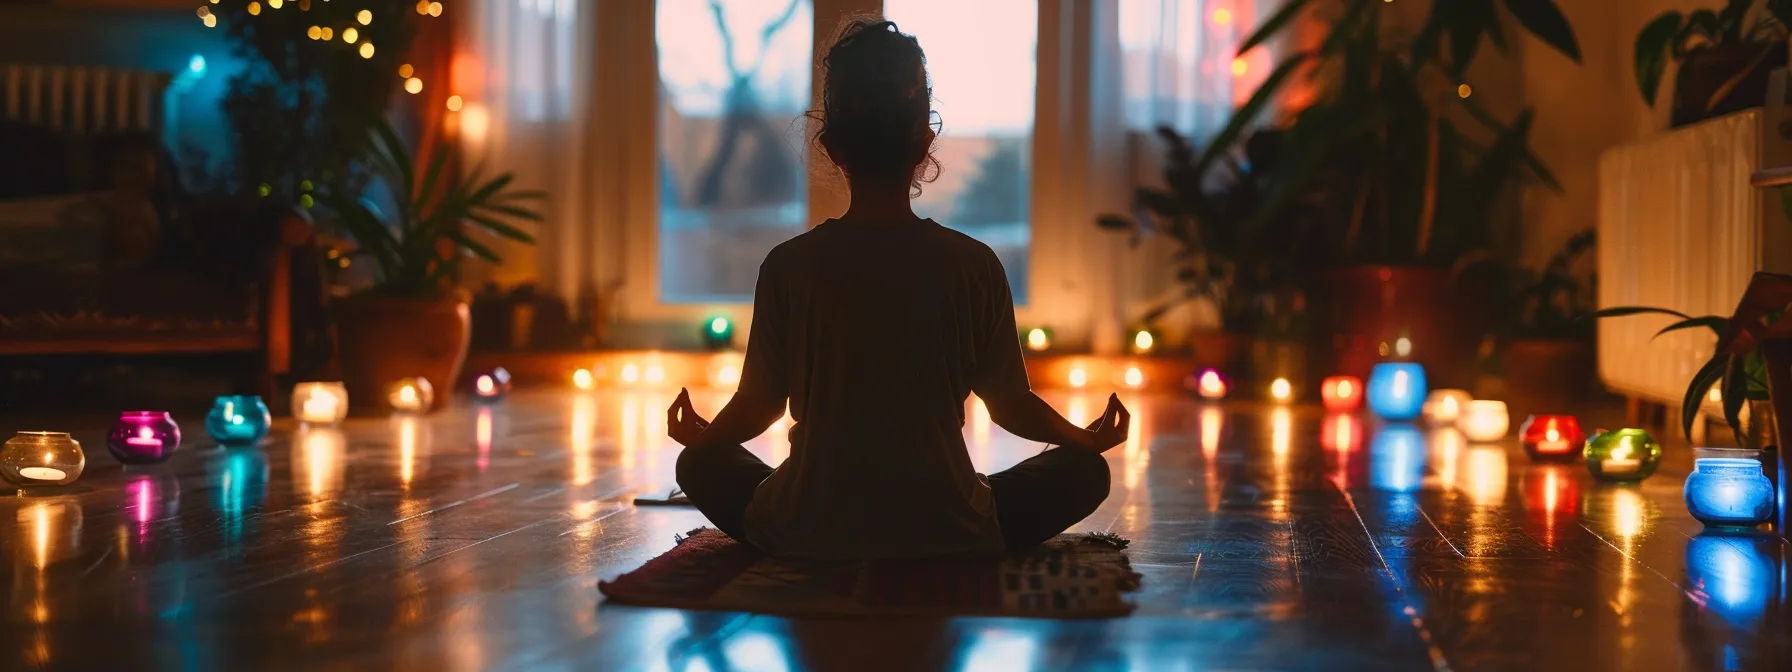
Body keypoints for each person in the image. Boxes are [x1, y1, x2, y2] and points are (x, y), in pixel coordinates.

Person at [667, 18, 1130, 561]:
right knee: (1083, 471)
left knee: (698, 465)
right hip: (946, 526)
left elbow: (757, 406)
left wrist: (706, 441)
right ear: (925, 140)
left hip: (809, 527)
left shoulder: (788, 266)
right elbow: (1010, 405)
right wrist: (1083, 439)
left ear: (832, 146)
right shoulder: (973, 264)